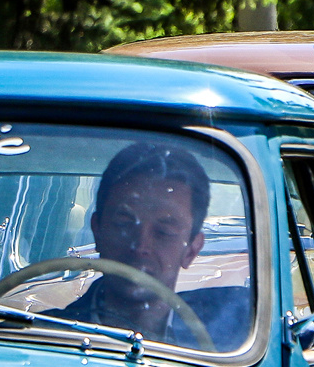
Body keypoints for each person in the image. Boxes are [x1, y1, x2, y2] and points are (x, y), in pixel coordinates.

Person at [55, 142, 248, 349]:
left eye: (164, 232)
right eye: (124, 224)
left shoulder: (234, 342)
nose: (140, 246)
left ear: (192, 249)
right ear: (97, 230)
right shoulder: (45, 337)